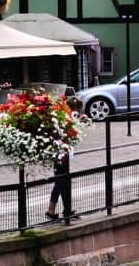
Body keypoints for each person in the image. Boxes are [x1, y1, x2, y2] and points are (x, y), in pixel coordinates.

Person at [46, 96, 83, 224]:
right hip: (60, 153)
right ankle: (51, 211)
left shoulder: (64, 112)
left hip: (62, 153)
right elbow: (68, 131)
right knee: (60, 182)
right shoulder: (66, 115)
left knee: (63, 180)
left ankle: (67, 209)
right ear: (75, 108)